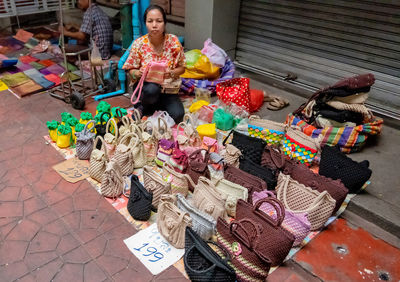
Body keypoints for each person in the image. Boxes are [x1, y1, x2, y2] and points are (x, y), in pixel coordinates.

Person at [122, 4, 186, 123]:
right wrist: (138, 72)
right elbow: (130, 70)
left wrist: (171, 73)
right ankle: (144, 105)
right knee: (152, 90)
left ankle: (152, 106)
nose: (154, 25)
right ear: (145, 23)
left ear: (165, 23)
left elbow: (182, 68)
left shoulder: (173, 42)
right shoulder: (139, 44)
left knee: (178, 115)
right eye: (150, 21)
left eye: (159, 21)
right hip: (146, 88)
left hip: (168, 88)